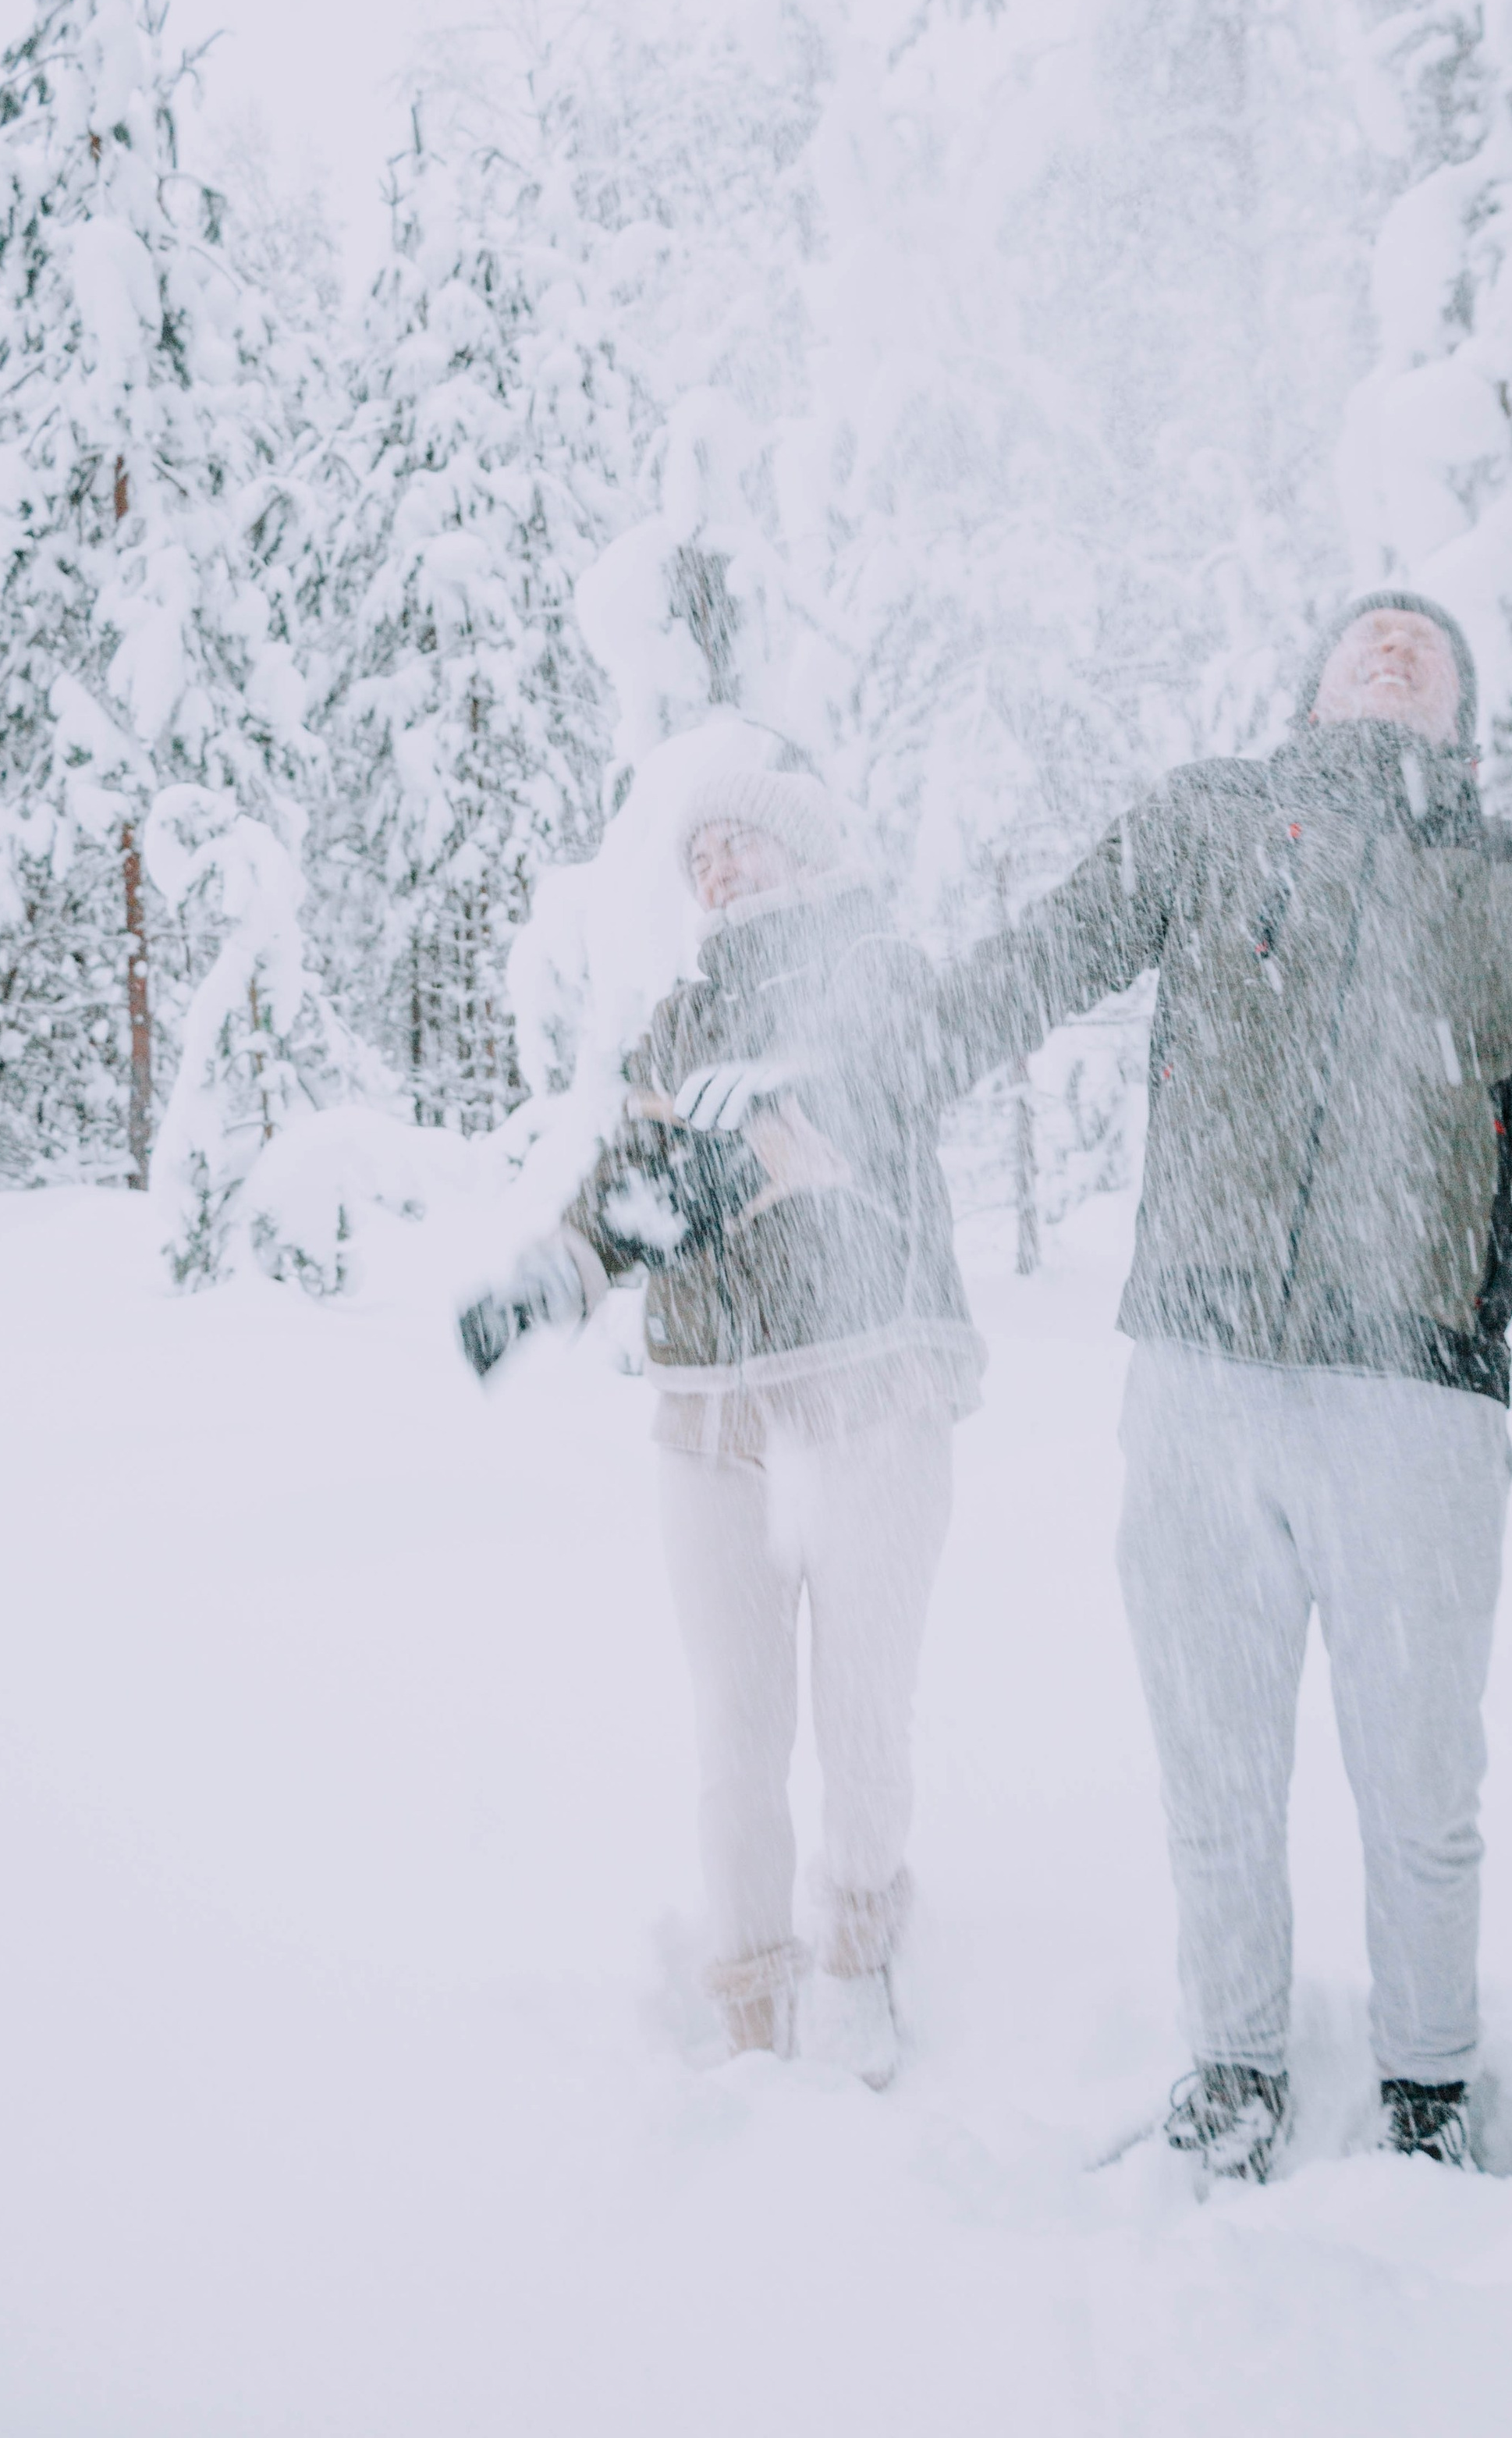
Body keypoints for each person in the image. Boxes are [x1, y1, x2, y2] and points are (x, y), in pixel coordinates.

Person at [936, 591, 1512, 2180]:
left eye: (1422, 642)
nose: (1389, 645)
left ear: (1461, 712)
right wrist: (859, 1082)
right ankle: (1230, 2062)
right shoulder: (1209, 824)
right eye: (1364, 631)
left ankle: (1425, 2081)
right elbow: (1024, 971)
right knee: (1214, 1773)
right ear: (1308, 675)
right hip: (1199, 1385)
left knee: (1419, 1783)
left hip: (1415, 1404)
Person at [459, 759, 982, 2087]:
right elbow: (631, 1187)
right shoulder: (678, 1024)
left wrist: (762, 1136)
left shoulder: (879, 971)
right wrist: (555, 1277)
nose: (716, 869)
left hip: (870, 1386)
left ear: (803, 853)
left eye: (739, 843)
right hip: (709, 1411)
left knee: (864, 1711)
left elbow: (882, 1100)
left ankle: (861, 1951)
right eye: (699, 858)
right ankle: (753, 2005)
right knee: (735, 1729)